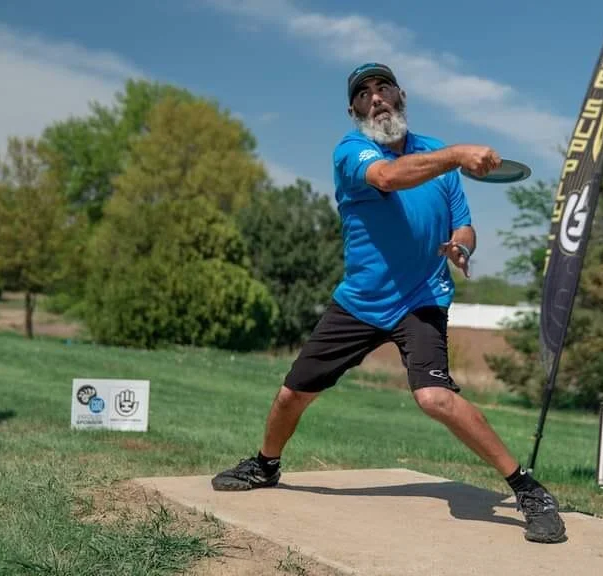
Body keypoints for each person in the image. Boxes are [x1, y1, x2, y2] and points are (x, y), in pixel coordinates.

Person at [210, 62, 567, 544]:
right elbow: (389, 178)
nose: (375, 98)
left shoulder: (438, 160)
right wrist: (458, 153)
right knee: (293, 393)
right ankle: (265, 464)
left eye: (383, 89)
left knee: (434, 397)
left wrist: (462, 245)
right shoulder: (352, 151)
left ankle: (529, 491)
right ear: (354, 109)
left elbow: (463, 223)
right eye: (363, 93)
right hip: (362, 300)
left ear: (401, 96)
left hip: (422, 297)